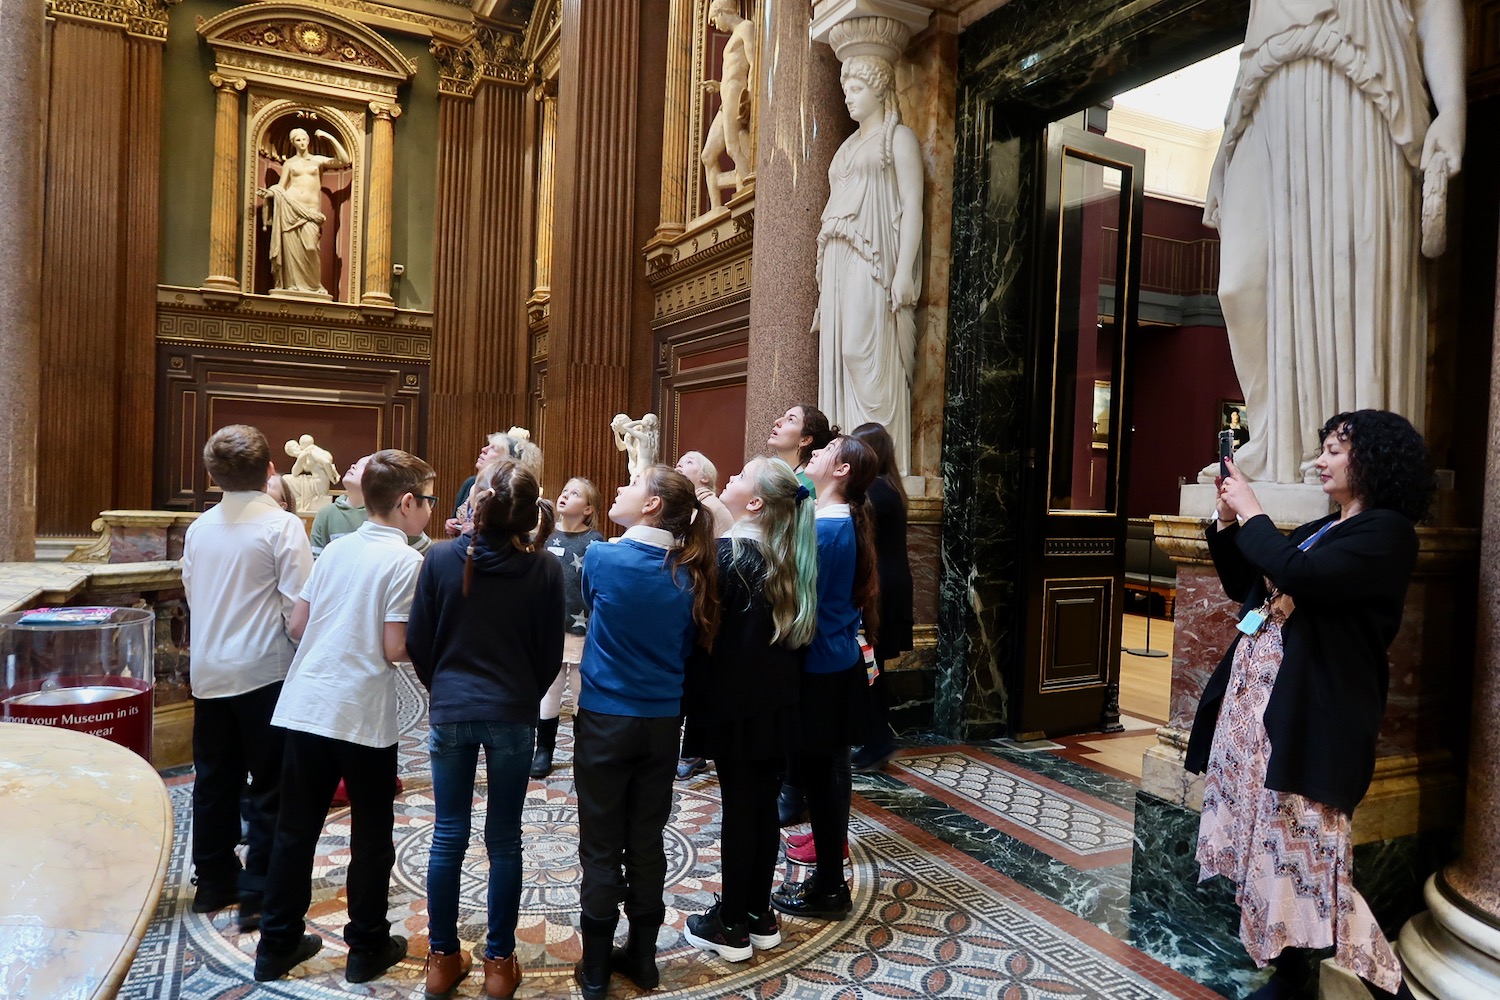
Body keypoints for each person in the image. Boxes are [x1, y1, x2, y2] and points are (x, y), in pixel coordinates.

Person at [1188, 410, 1435, 1000]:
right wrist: (1227, 523)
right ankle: (1293, 974)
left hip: (1314, 719)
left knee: (1313, 855)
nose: (1319, 461)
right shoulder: (1327, 527)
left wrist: (1253, 510)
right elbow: (1251, 579)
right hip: (1267, 716)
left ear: (1372, 460)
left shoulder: (1386, 533)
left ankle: (1379, 985)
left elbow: (1302, 574)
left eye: (1333, 450)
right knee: (1273, 847)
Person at [1205, 0, 1463, 484]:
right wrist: (1224, 151)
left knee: (1350, 280)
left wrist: (1452, 107)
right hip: (1266, 93)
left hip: (1358, 80)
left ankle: (1343, 456)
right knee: (1239, 286)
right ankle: (1274, 437)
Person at [253, 450, 436, 984]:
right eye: (425, 500)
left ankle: (277, 943)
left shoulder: (333, 549)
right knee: (371, 834)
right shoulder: (406, 561)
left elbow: (297, 624)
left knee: (295, 830)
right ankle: (366, 948)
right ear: (406, 504)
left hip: (306, 701)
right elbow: (392, 646)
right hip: (358, 711)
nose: (429, 509)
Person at [407, 458, 565, 1000]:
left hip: (452, 709)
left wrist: (445, 689)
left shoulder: (441, 557)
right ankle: (499, 965)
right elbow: (550, 656)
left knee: (447, 835)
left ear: (477, 505)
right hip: (513, 715)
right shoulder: (543, 568)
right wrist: (519, 693)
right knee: (505, 838)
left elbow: (419, 644)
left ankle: (442, 959)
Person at [572, 466, 718, 1000]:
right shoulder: (693, 573)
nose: (619, 490)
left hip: (606, 717)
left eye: (631, 486)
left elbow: (592, 610)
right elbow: (684, 649)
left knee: (601, 844)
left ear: (653, 505)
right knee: (647, 839)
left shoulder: (604, 557)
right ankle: (644, 959)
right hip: (662, 724)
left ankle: (593, 969)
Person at [681, 457, 817, 962]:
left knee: (741, 811)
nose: (729, 480)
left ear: (754, 502)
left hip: (734, 704)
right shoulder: (789, 557)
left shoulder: (723, 555)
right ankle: (759, 913)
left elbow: (699, 639)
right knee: (761, 808)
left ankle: (732, 923)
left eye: (739, 477)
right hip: (779, 704)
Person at [182, 425, 312, 930]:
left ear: (212, 476)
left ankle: (212, 879)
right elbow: (299, 605)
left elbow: (192, 592)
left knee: (214, 779)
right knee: (271, 784)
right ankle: (260, 888)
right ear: (270, 471)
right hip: (265, 671)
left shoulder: (200, 528)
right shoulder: (281, 527)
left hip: (209, 670)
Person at [770, 435, 880, 922]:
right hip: (831, 664)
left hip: (821, 669)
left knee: (824, 780)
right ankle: (830, 883)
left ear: (842, 472)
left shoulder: (827, 528)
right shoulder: (830, 520)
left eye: (827, 450)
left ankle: (830, 889)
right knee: (826, 777)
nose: (815, 453)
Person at [813, 53, 923, 477]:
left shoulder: (899, 139)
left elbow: (913, 205)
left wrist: (904, 270)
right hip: (840, 256)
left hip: (874, 258)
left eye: (857, 89)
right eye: (845, 91)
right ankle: (843, 459)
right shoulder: (845, 147)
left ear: (879, 90)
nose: (849, 99)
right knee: (840, 355)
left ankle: (878, 463)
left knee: (860, 350)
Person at [769, 405, 836, 824]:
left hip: (797, 599)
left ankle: (793, 786)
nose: (778, 421)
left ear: (807, 439)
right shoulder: (780, 477)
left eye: (790, 420)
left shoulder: (808, 487)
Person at [848, 422, 913, 774]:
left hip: (881, 590)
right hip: (889, 585)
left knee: (870, 669)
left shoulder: (876, 492)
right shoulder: (889, 488)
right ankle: (876, 740)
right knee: (875, 669)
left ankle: (877, 742)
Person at [532, 476, 606, 778]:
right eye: (563, 491)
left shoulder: (595, 541)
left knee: (580, 690)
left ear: (587, 509)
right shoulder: (545, 536)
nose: (564, 496)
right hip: (549, 627)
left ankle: (584, 750)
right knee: (549, 689)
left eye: (574, 494)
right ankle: (544, 749)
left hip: (583, 629)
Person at [259, 127, 351, 295]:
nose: (301, 143)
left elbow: (344, 161)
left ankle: (314, 286)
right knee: (291, 252)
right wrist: (271, 193)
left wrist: (329, 137)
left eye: (304, 139)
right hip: (291, 208)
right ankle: (291, 285)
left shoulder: (317, 161)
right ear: (293, 143)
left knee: (310, 247)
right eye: (297, 140)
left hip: (310, 212)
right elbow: (281, 186)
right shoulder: (290, 163)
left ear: (309, 141)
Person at [312, 453, 432, 557]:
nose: (353, 466)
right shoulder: (327, 514)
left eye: (363, 466)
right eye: (355, 464)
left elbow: (427, 550)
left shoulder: (383, 514)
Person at [699, 0, 756, 211]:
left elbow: (754, 63)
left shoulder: (746, 28)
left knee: (733, 148)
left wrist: (750, 95)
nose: (714, 25)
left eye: (714, 19)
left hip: (736, 94)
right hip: (726, 97)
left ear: (722, 12)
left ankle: (747, 191)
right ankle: (716, 210)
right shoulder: (734, 36)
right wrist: (719, 85)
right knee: (707, 156)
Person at [449, 429, 544, 537]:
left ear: (509, 461)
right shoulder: (470, 483)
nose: (484, 449)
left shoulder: (518, 494)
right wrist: (454, 527)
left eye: (494, 449)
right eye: (488, 446)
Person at [768, 404, 834, 497]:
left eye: (790, 420)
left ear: (805, 440)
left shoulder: (812, 484)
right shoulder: (765, 470)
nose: (777, 422)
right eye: (784, 416)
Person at [676, 450, 734, 538]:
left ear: (704, 477)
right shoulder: (678, 507)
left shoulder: (715, 508)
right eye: (678, 464)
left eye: (689, 462)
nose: (679, 465)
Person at [610, 413, 660, 484]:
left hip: (640, 467)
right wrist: (616, 433)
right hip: (641, 467)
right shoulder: (642, 435)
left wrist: (640, 422)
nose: (620, 432)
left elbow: (633, 453)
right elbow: (621, 447)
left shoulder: (640, 435)